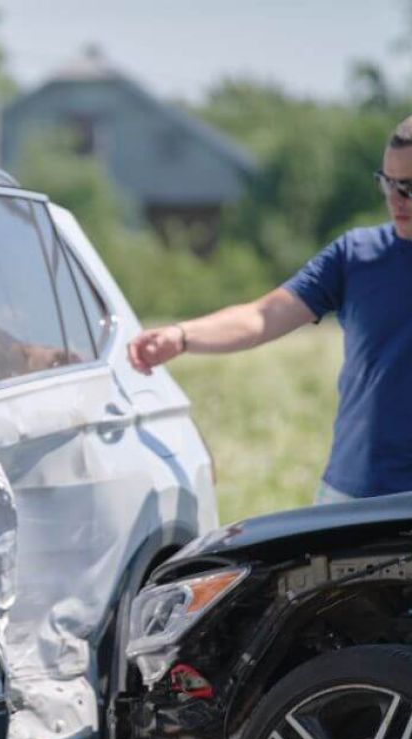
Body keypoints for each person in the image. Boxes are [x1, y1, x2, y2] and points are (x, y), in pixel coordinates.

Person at [128, 115, 412, 506]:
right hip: (351, 496)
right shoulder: (356, 255)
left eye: (409, 187)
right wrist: (182, 336)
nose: (396, 199)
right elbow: (263, 316)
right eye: (387, 182)